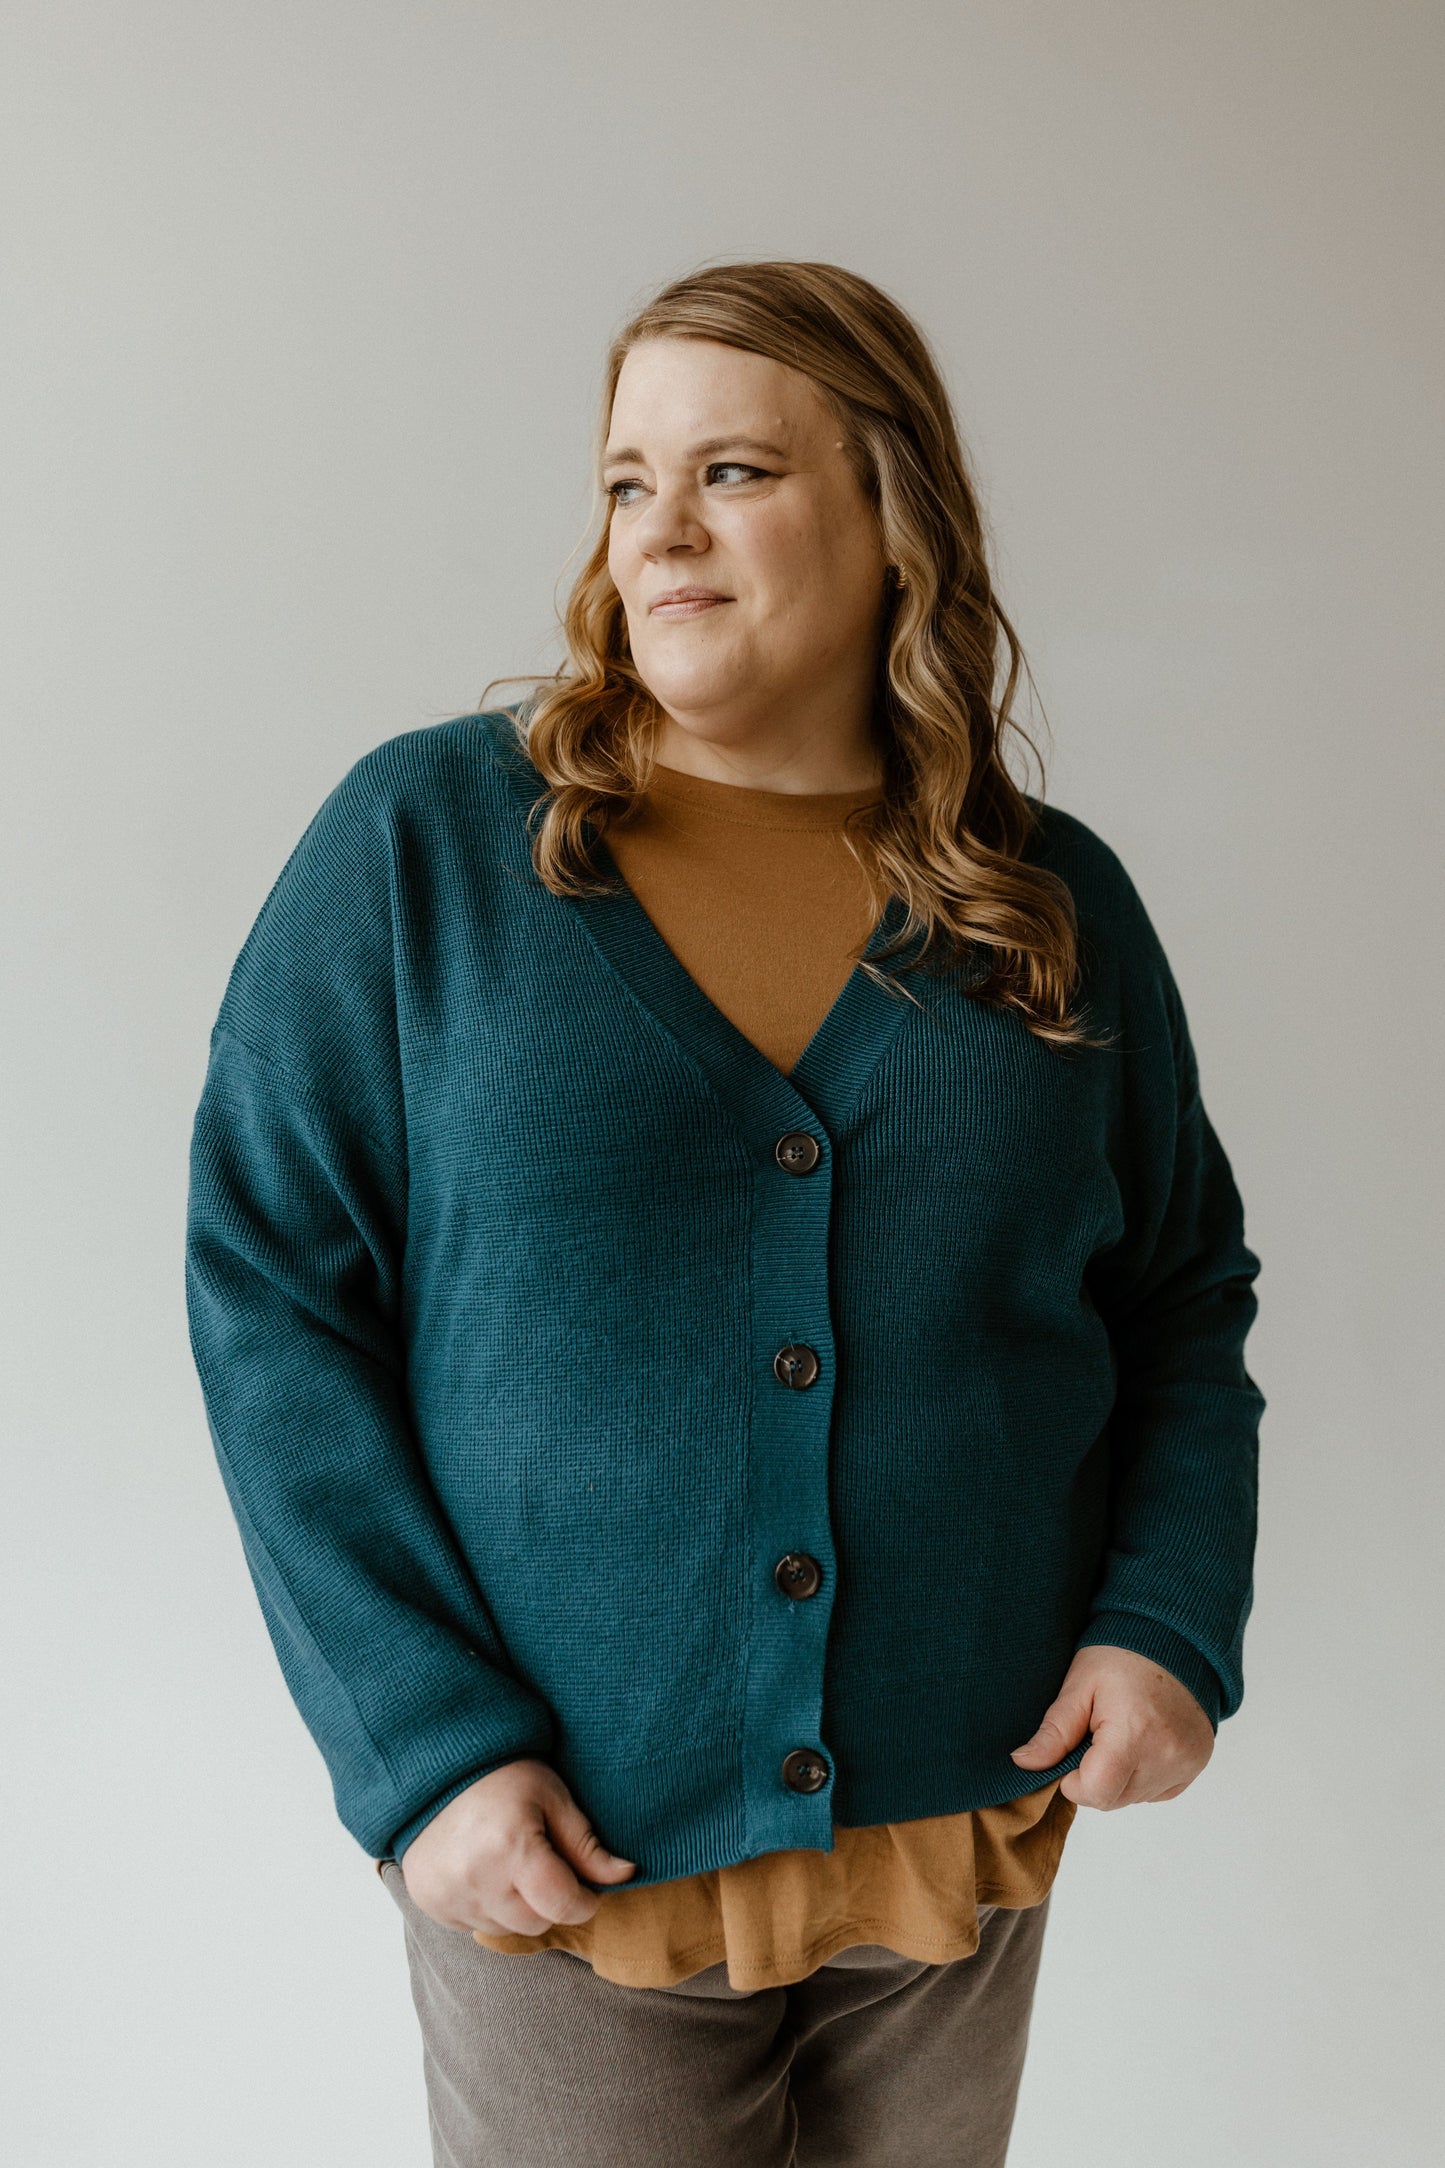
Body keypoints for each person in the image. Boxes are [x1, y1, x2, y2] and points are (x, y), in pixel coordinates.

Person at [185, 259, 1264, 2167]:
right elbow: (272, 1296)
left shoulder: (1045, 904)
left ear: (889, 513)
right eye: (624, 481)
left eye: (735, 472)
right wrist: (424, 1748)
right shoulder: (429, 849)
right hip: (566, 1843)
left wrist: (1166, 1621)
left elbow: (1177, 1290)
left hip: (963, 1828)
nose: (659, 531)